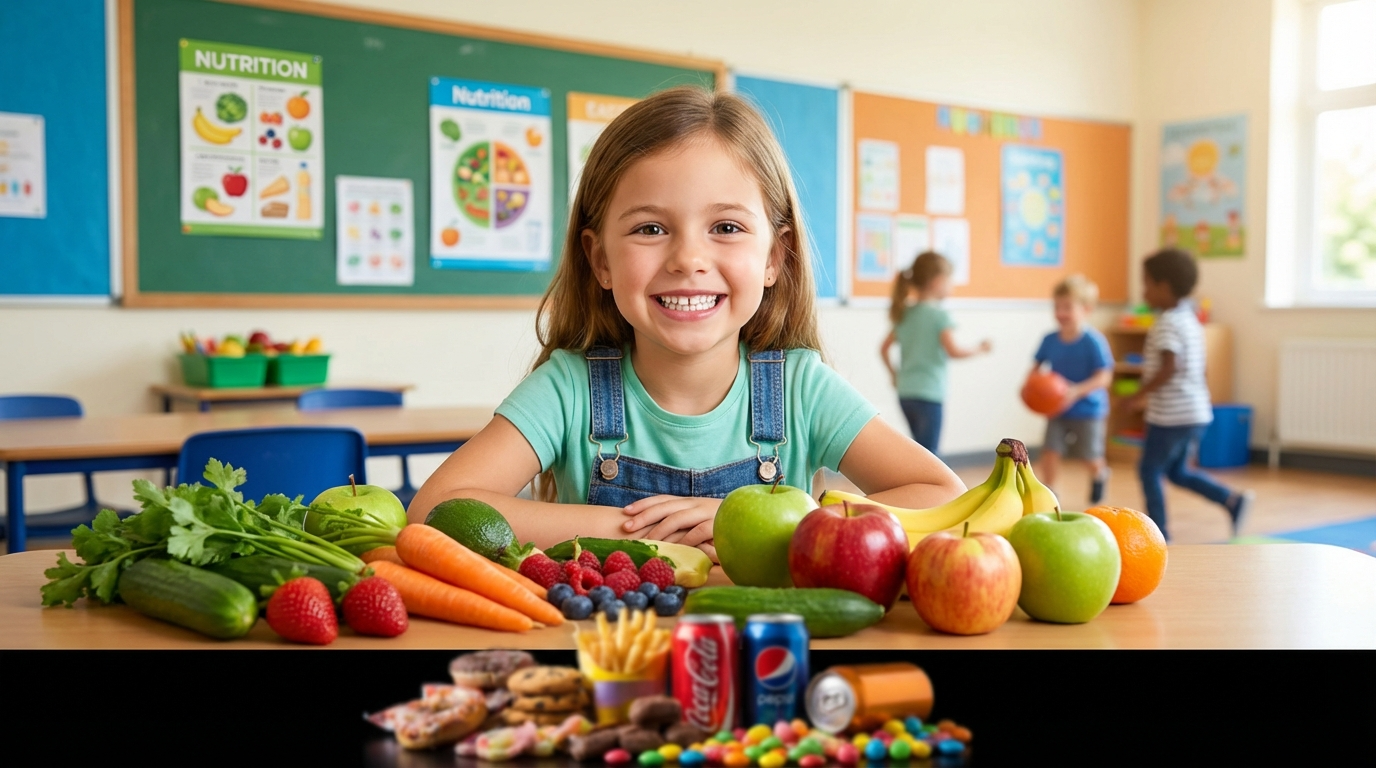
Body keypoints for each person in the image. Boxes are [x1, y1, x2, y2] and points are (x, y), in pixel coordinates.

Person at [409, 87, 965, 560]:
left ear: (775, 257)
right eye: (650, 230)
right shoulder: (568, 388)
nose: (687, 259)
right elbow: (435, 510)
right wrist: (647, 531)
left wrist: (766, 524)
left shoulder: (801, 388)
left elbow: (941, 493)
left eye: (725, 227)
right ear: (600, 259)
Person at [1125, 248, 1252, 540]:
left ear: (1164, 286)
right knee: (1177, 472)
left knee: (1149, 470)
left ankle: (1159, 533)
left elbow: (1171, 365)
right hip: (1195, 413)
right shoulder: (1189, 317)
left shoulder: (1168, 322)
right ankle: (1231, 500)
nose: (1143, 291)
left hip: (1172, 416)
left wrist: (1137, 395)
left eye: (1147, 283)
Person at [880, 252, 992, 455]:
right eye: (951, 281)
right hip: (929, 395)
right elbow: (954, 351)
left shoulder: (906, 314)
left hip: (905, 393)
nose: (952, 287)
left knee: (920, 451)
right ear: (938, 281)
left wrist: (894, 375)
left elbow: (884, 348)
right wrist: (980, 349)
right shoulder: (939, 316)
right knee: (930, 455)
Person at [1031, 274, 1114, 505]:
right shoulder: (1050, 339)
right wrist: (1030, 388)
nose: (1060, 312)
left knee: (1088, 456)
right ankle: (1051, 493)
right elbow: (1036, 368)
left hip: (1088, 409)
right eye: (1057, 306)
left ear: (1086, 309)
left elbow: (1104, 377)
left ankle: (1100, 473)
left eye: (1067, 307)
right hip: (1057, 408)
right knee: (1050, 450)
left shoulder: (1093, 341)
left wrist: (1076, 391)